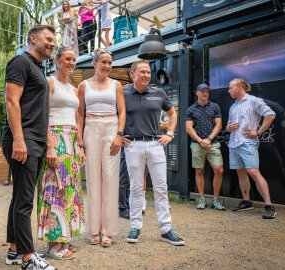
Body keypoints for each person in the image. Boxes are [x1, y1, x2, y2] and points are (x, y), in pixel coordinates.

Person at [2, 25, 57, 270]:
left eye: (54, 40)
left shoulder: (37, 67)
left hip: (33, 139)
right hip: (23, 139)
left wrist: (46, 141)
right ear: (33, 38)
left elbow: (40, 110)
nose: (52, 43)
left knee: (19, 199)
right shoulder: (20, 62)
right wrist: (20, 140)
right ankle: (28, 258)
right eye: (48, 39)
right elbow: (11, 101)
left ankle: (14, 251)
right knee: (25, 201)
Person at [123, 60, 184, 246]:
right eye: (142, 72)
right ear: (133, 74)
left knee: (161, 188)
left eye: (148, 72)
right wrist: (118, 136)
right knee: (135, 187)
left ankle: (166, 229)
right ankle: (135, 227)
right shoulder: (123, 94)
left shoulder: (159, 92)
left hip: (155, 144)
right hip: (133, 145)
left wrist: (170, 134)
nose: (146, 75)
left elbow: (173, 113)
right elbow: (114, 115)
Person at [37, 47, 86, 260]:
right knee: (53, 188)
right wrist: (49, 144)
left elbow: (78, 119)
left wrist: (80, 146)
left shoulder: (74, 89)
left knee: (70, 190)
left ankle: (64, 236)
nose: (71, 62)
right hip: (56, 138)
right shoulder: (49, 83)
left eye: (74, 59)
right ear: (57, 61)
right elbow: (43, 114)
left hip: (72, 140)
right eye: (67, 58)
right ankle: (52, 245)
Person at [77, 48, 126, 247]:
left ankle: (108, 231)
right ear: (94, 63)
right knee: (93, 180)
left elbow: (122, 111)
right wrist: (80, 141)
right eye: (103, 62)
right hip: (91, 128)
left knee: (111, 179)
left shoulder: (117, 85)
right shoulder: (83, 85)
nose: (107, 66)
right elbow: (79, 114)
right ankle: (94, 230)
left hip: (112, 128)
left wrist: (119, 135)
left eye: (110, 62)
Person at [227, 78, 277, 219]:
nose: (229, 91)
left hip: (248, 143)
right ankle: (247, 201)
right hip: (234, 143)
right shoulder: (233, 106)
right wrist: (229, 127)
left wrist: (258, 132)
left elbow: (271, 115)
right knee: (241, 173)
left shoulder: (254, 101)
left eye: (231, 88)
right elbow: (228, 125)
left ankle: (269, 206)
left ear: (239, 87)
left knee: (254, 172)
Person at [185, 83, 225, 210]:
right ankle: (202, 199)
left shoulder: (215, 107)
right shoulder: (190, 109)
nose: (205, 93)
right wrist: (200, 140)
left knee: (219, 170)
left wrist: (208, 139)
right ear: (197, 93)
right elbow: (188, 128)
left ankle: (216, 200)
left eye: (207, 91)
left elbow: (218, 125)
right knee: (199, 170)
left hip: (213, 143)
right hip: (197, 145)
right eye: (202, 91)